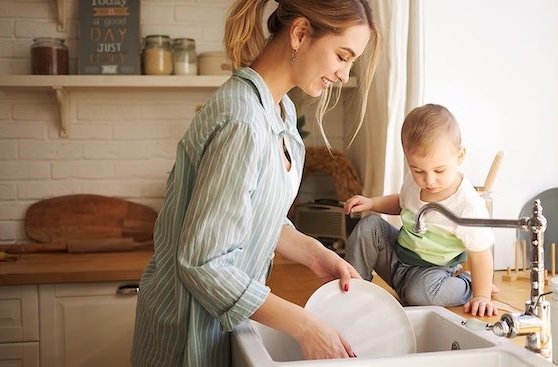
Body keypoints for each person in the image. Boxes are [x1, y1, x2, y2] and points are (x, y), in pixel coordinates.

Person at [130, 0, 381, 366]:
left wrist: (316, 254)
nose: (344, 74)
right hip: (184, 336)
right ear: (299, 34)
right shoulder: (243, 121)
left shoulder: (279, 112)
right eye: (342, 56)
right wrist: (305, 326)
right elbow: (205, 263)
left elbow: (256, 215)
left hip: (216, 328)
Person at [343, 104, 499, 317]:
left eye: (439, 170)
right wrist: (372, 203)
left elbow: (481, 254)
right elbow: (401, 203)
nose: (429, 180)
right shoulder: (415, 182)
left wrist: (481, 295)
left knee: (419, 295)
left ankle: (466, 285)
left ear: (460, 156)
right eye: (418, 170)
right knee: (369, 226)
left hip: (433, 273)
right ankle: (354, 287)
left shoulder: (467, 205)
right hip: (398, 258)